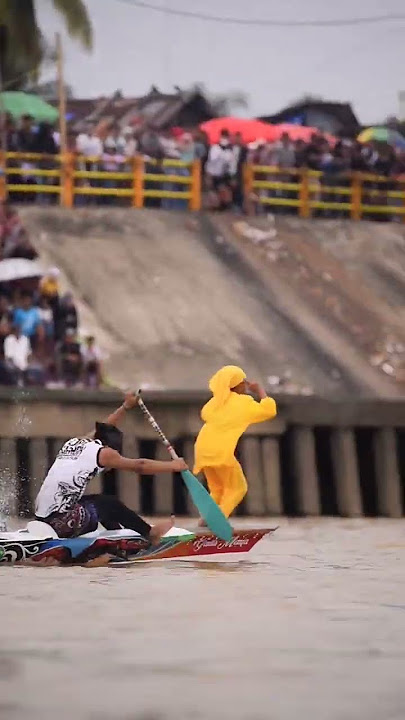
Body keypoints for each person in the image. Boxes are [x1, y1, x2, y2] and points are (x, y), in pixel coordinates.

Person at [35, 392, 188, 542]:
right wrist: (174, 466)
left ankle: (118, 536)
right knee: (108, 503)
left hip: (42, 518)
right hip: (59, 525)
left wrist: (125, 407)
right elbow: (140, 466)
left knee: (97, 502)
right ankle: (150, 533)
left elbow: (104, 428)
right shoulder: (105, 453)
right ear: (111, 448)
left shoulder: (75, 443)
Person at [193, 365, 277, 523]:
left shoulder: (215, 403)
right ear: (236, 385)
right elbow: (269, 411)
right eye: (243, 381)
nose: (246, 384)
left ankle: (205, 518)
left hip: (202, 449)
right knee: (238, 488)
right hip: (220, 452)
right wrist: (260, 391)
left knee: (217, 489)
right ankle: (215, 520)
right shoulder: (243, 403)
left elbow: (204, 413)